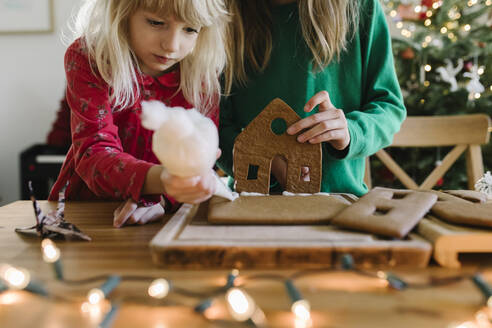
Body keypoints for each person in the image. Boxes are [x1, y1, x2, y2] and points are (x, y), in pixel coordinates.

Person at [48, 0, 229, 227]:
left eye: (190, 29)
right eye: (156, 22)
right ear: (122, 12)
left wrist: (162, 200)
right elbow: (94, 151)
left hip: (165, 217)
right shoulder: (91, 58)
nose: (172, 45)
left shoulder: (203, 72)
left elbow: (200, 161)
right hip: (86, 213)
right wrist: (163, 180)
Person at [217, 0, 406, 196]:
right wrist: (266, 164)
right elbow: (213, 123)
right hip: (251, 204)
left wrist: (352, 132)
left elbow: (389, 106)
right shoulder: (226, 12)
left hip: (339, 202)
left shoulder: (361, 6)